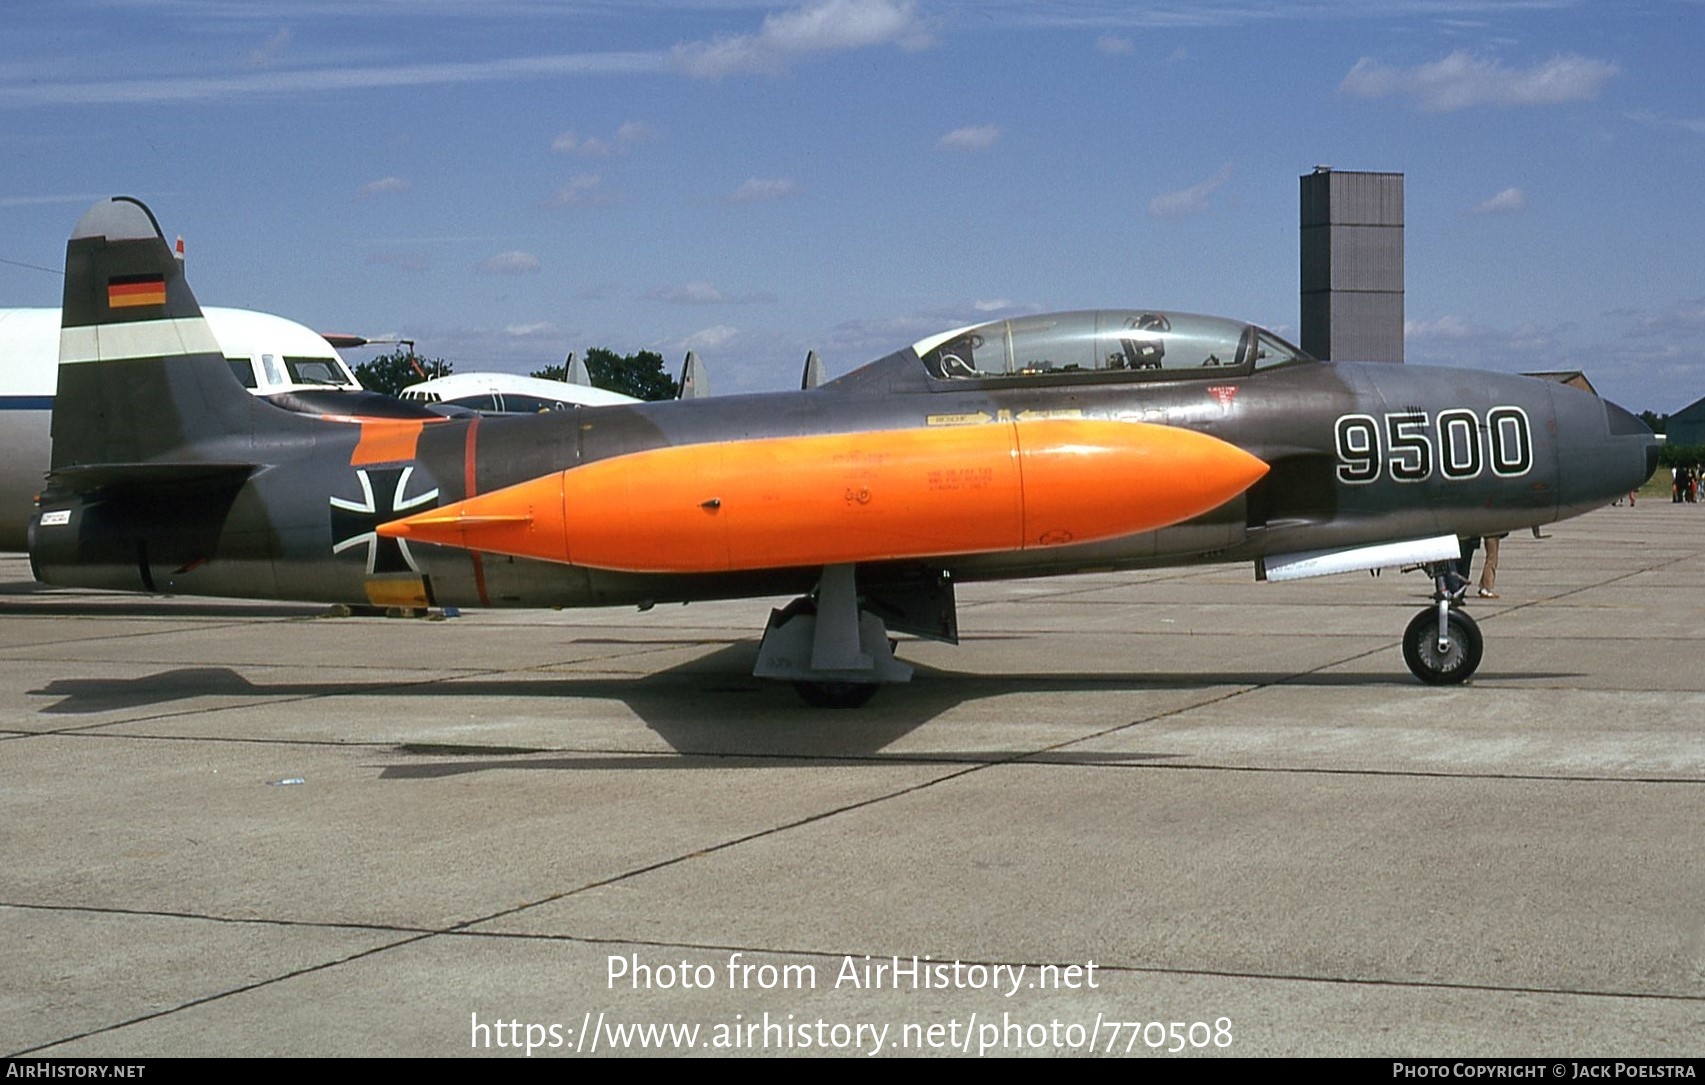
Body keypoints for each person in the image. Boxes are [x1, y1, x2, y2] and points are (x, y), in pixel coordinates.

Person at [1478, 534, 1504, 599]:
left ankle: (1483, 585)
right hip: (1492, 534)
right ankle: (1486, 587)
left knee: (1491, 558)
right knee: (1492, 559)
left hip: (1492, 534)